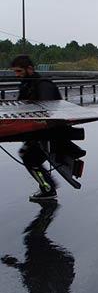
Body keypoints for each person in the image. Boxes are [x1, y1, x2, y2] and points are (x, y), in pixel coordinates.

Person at [11, 55, 62, 201]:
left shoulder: (43, 85)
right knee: (28, 157)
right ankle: (48, 186)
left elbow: (47, 111)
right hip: (36, 131)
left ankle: (48, 188)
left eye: (19, 71)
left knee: (29, 158)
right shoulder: (27, 84)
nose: (17, 75)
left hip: (47, 131)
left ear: (30, 69)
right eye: (15, 72)